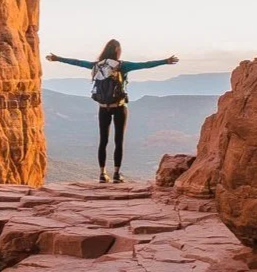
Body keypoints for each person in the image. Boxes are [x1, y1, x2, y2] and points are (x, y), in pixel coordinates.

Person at [47, 40, 179, 183]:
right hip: (119, 107)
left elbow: (77, 62)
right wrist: (166, 61)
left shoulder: (97, 65)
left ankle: (102, 174)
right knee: (118, 140)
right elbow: (145, 65)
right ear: (117, 50)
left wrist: (57, 58)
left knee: (103, 141)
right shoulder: (122, 66)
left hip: (103, 107)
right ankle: (116, 174)